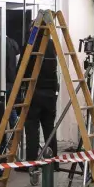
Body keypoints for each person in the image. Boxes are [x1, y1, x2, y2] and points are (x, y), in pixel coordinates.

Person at [23, 25, 59, 162]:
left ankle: (32, 162)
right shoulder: (51, 44)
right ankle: (53, 162)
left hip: (34, 92)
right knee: (49, 128)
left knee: (32, 128)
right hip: (50, 93)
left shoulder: (31, 44)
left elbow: (22, 68)